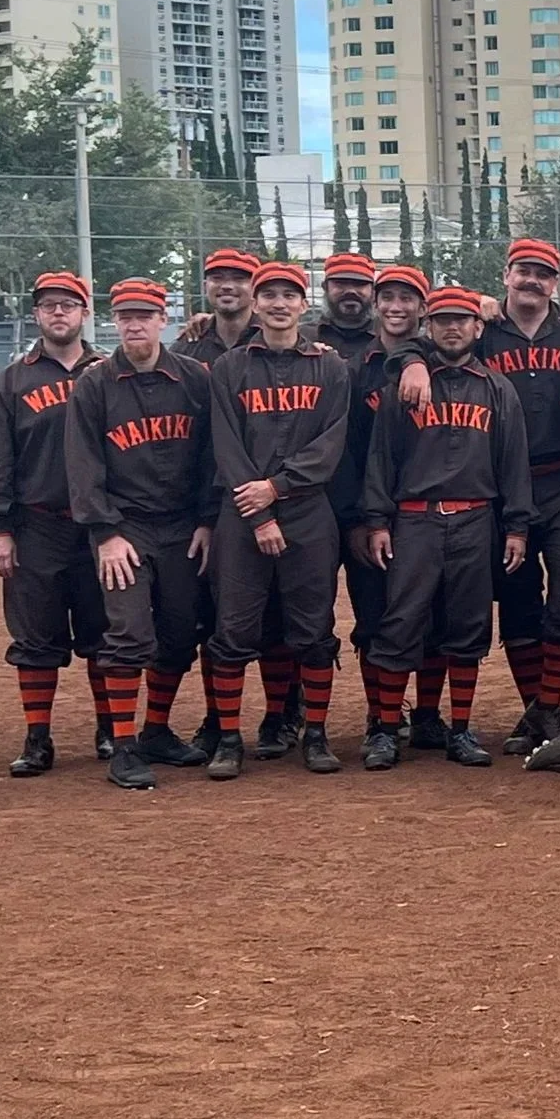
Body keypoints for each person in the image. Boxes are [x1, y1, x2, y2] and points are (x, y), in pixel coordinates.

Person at [359, 285, 534, 769]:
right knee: (400, 623)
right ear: (428, 328)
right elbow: (381, 457)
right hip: (414, 519)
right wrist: (377, 519)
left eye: (462, 319)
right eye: (441, 320)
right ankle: (387, 731)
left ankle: (459, 729)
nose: (452, 327)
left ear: (479, 328)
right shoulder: (408, 384)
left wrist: (517, 526)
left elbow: (513, 463)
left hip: (476, 517)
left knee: (467, 625)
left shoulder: (498, 388)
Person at [63, 278, 218, 783]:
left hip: (180, 528)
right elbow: (82, 462)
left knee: (178, 635)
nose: (133, 324)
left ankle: (156, 731)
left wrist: (206, 520)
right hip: (124, 529)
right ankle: (123, 746)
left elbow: (212, 456)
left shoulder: (194, 377)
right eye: (124, 316)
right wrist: (105, 532)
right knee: (129, 635)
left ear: (162, 321)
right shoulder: (95, 382)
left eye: (144, 315)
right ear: (113, 322)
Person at [204, 260, 351, 780]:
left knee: (313, 628)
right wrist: (261, 508)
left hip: (309, 512)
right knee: (234, 629)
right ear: (256, 304)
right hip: (243, 515)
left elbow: (330, 443)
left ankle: (314, 734)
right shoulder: (230, 367)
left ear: (304, 304)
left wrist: (279, 487)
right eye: (269, 296)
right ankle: (227, 739)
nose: (279, 304)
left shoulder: (331, 367)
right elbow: (225, 442)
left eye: (289, 295)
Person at [0, 273, 115, 779]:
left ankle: (110, 730)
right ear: (37, 315)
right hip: (38, 524)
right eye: (49, 306)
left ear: (85, 313)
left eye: (68, 305)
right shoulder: (13, 380)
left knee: (104, 632)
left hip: (100, 529)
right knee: (35, 638)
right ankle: (37, 738)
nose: (58, 314)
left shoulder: (111, 372)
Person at [483, 237, 560, 754]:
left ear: (556, 284)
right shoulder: (483, 328)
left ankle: (554, 703)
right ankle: (538, 710)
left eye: (543, 273)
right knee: (516, 599)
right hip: (500, 485)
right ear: (506, 274)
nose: (533, 280)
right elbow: (430, 344)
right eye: (523, 271)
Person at [332, 263, 435, 740]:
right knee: (373, 616)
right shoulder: (356, 370)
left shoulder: (443, 360)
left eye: (407, 298)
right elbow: (346, 450)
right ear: (375, 305)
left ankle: (430, 716)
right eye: (388, 298)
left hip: (426, 509)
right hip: (369, 510)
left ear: (422, 307)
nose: (397, 307)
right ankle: (381, 717)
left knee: (433, 613)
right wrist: (357, 518)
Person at [175, 248, 263, 367]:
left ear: (256, 287)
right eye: (217, 278)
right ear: (206, 286)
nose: (227, 286)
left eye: (239, 278)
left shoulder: (272, 339)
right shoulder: (189, 343)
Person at [314, 251, 380, 363]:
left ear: (373, 291)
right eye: (340, 283)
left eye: (359, 284)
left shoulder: (388, 339)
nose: (350, 291)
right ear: (325, 287)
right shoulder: (304, 339)